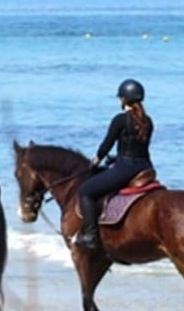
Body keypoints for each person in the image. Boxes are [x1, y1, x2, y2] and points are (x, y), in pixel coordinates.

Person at [75, 79, 153, 250]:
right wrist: (115, 158)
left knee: (85, 191)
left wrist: (96, 160)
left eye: (120, 98)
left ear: (124, 99)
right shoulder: (148, 121)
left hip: (126, 168)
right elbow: (137, 148)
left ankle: (90, 235)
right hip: (146, 168)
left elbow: (107, 144)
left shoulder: (120, 120)